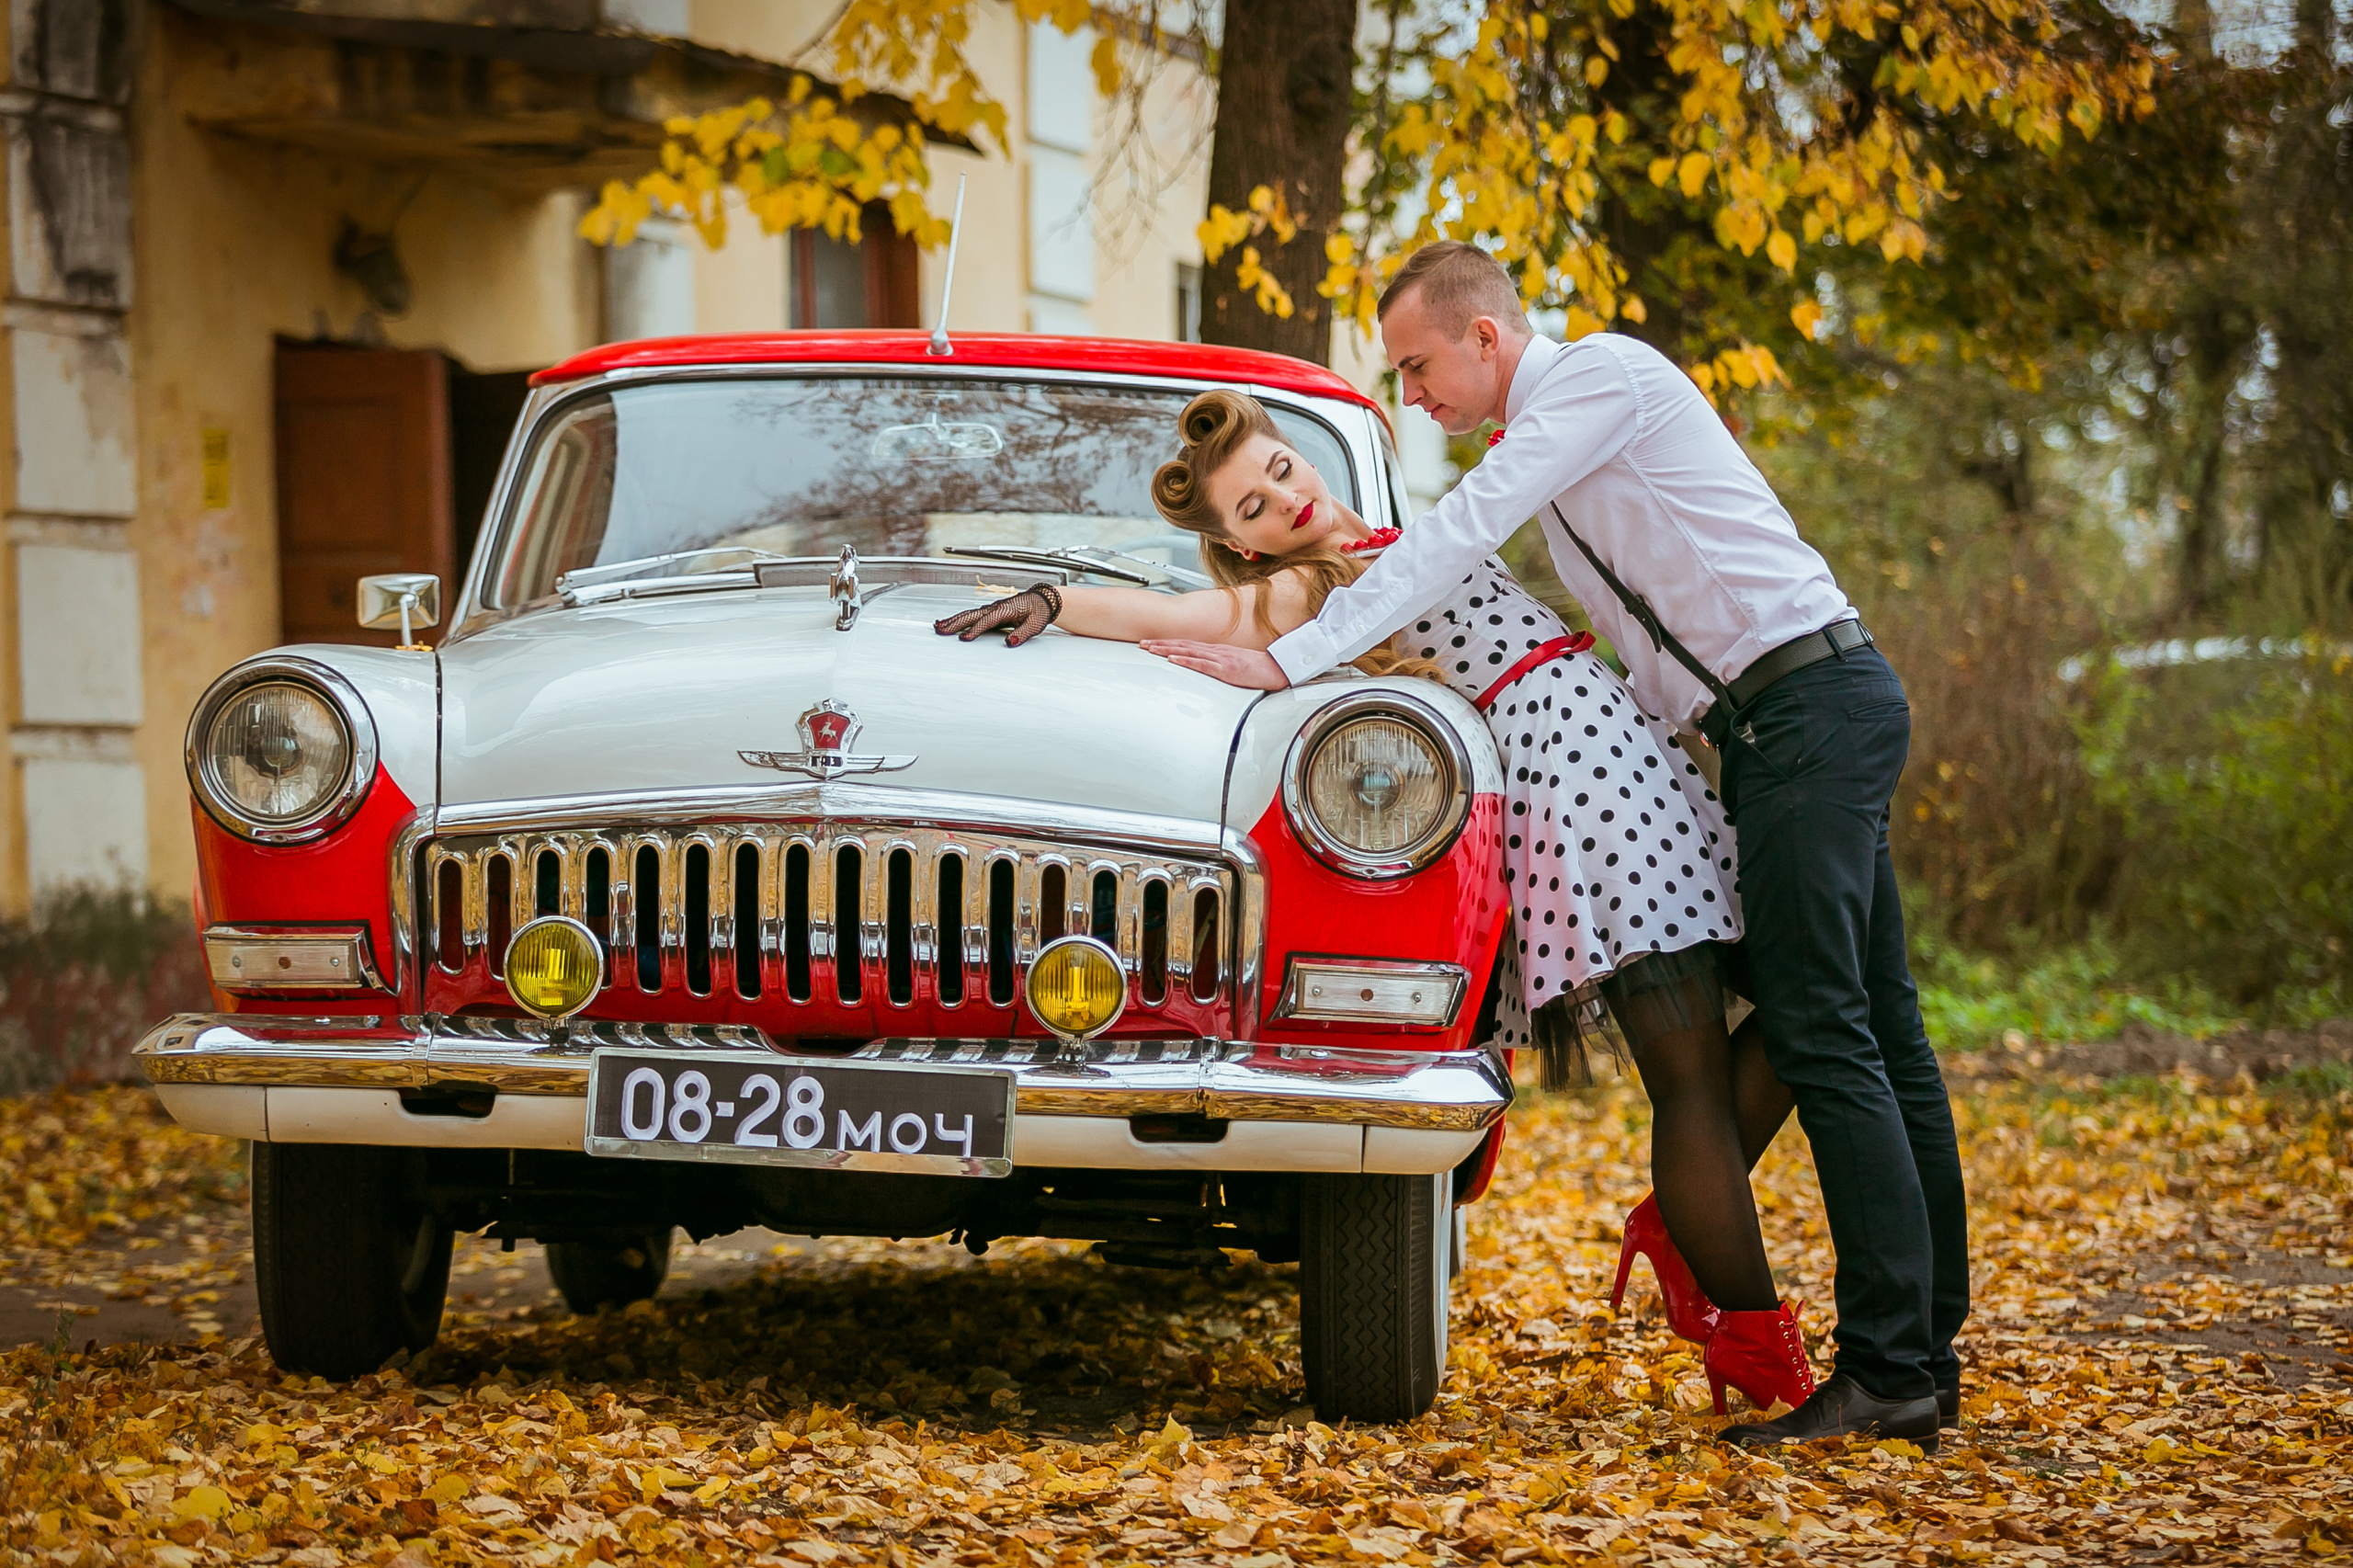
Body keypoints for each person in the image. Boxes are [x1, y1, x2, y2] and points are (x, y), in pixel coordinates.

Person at [1144, 243, 1968, 1451]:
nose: (1413, 394)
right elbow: (1643, 634)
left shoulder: (1595, 383)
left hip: (1807, 710)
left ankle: (1893, 1362)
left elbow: (1460, 533)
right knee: (1872, 1023)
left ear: (1485, 338)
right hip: (1773, 726)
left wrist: (1289, 659)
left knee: (1826, 1027)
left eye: (1420, 366)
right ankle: (1923, 1348)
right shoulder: (1570, 435)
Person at [937, 388, 1815, 1416]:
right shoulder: (1306, 587)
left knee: (1811, 1009)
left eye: (1277, 472)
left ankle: (1679, 1219)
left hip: (1629, 759)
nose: (1281, 499)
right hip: (1576, 790)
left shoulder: (1398, 536)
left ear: (1302, 460)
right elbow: (1173, 614)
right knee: (1693, 1078)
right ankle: (1754, 1336)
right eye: (1250, 512)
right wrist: (1054, 600)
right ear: (1245, 548)